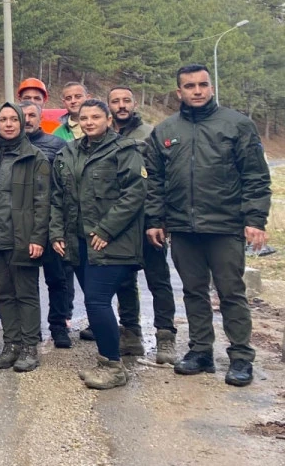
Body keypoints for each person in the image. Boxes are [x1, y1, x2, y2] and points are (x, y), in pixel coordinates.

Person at [145, 64, 273, 388]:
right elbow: (155, 181)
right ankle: (201, 351)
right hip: (183, 229)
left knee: (231, 292)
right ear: (179, 92)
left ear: (211, 87)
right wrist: (155, 220)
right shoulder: (164, 131)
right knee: (193, 292)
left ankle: (241, 356)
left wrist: (255, 220)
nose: (197, 91)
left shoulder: (237, 125)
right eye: (190, 86)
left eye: (203, 84)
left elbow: (256, 176)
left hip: (226, 227)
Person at [49, 99, 148, 390]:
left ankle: (112, 366)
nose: (89, 122)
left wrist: (106, 228)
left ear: (107, 119)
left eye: (95, 117)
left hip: (111, 241)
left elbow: (135, 193)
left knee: (96, 301)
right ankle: (108, 357)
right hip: (79, 243)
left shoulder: (125, 150)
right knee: (94, 301)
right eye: (84, 117)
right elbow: (58, 197)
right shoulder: (68, 153)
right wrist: (57, 234)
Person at [0, 103, 50, 373]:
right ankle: (11, 344)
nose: (9, 124)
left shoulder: (34, 157)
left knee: (25, 294)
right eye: (3, 119)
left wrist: (38, 237)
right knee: (4, 294)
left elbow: (43, 201)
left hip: (22, 238)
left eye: (14, 119)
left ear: (22, 122)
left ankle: (28, 347)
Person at [109, 86, 175, 363]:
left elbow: (162, 178)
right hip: (122, 224)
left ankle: (165, 337)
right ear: (108, 105)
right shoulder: (104, 135)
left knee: (158, 279)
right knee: (124, 281)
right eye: (115, 101)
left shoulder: (151, 133)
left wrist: (159, 218)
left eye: (126, 100)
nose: (121, 105)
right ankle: (132, 334)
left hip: (149, 220)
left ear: (134, 103)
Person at [20, 100, 73, 349]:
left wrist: (61, 225)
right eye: (23, 115)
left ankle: (58, 326)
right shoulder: (5, 147)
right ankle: (29, 329)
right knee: (24, 280)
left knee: (57, 279)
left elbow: (65, 187)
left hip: (52, 222)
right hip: (21, 225)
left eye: (32, 115)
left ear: (40, 118)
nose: (27, 119)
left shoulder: (57, 145)